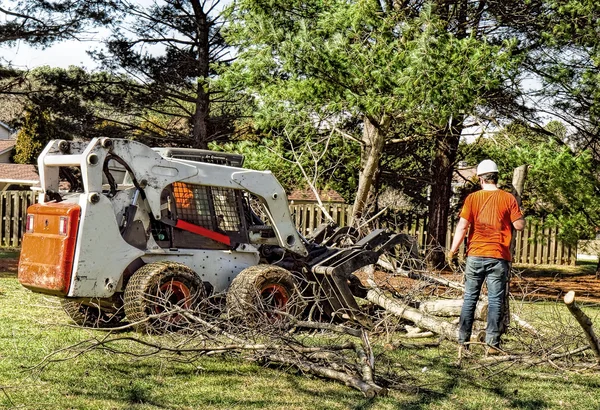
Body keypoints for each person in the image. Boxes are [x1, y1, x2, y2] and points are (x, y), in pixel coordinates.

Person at [448, 159, 525, 355]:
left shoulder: (472, 199)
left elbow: (462, 227)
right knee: (496, 300)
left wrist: (452, 250)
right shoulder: (508, 198)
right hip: (498, 256)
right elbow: (519, 226)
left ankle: (463, 341)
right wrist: (516, 214)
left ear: (481, 179)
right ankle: (492, 344)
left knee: (470, 299)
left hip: (474, 255)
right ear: (496, 177)